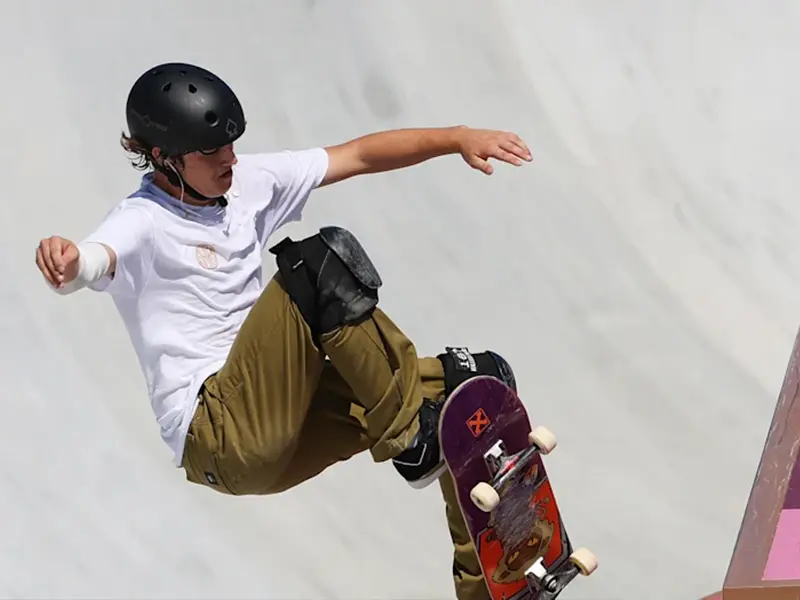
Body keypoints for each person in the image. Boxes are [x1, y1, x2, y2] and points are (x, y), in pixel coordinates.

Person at [35, 62, 531, 599]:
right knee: (318, 265)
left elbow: (359, 155)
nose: (228, 159)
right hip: (219, 433)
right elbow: (94, 257)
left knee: (470, 392)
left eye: (230, 145)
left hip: (284, 422)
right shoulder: (142, 220)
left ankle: (490, 588)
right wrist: (69, 262)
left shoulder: (248, 181)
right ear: (164, 156)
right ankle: (410, 439)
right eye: (210, 151)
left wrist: (457, 138)